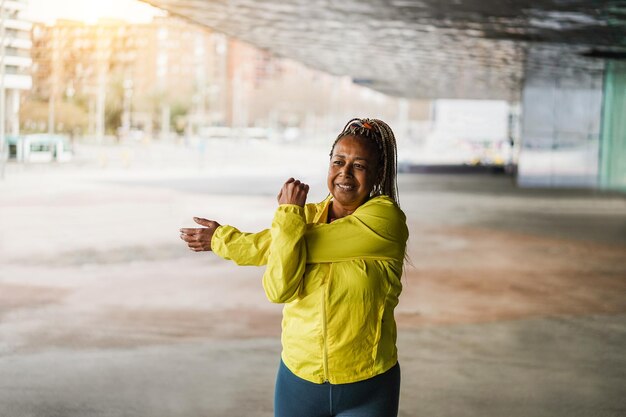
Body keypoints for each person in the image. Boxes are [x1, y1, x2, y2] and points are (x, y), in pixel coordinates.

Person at [180, 118, 409, 417]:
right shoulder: (306, 217)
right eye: (338, 161)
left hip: (368, 382)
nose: (345, 173)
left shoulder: (384, 221)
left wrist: (276, 219)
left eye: (359, 165)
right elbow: (278, 290)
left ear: (377, 172)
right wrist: (286, 226)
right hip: (299, 380)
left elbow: (285, 242)